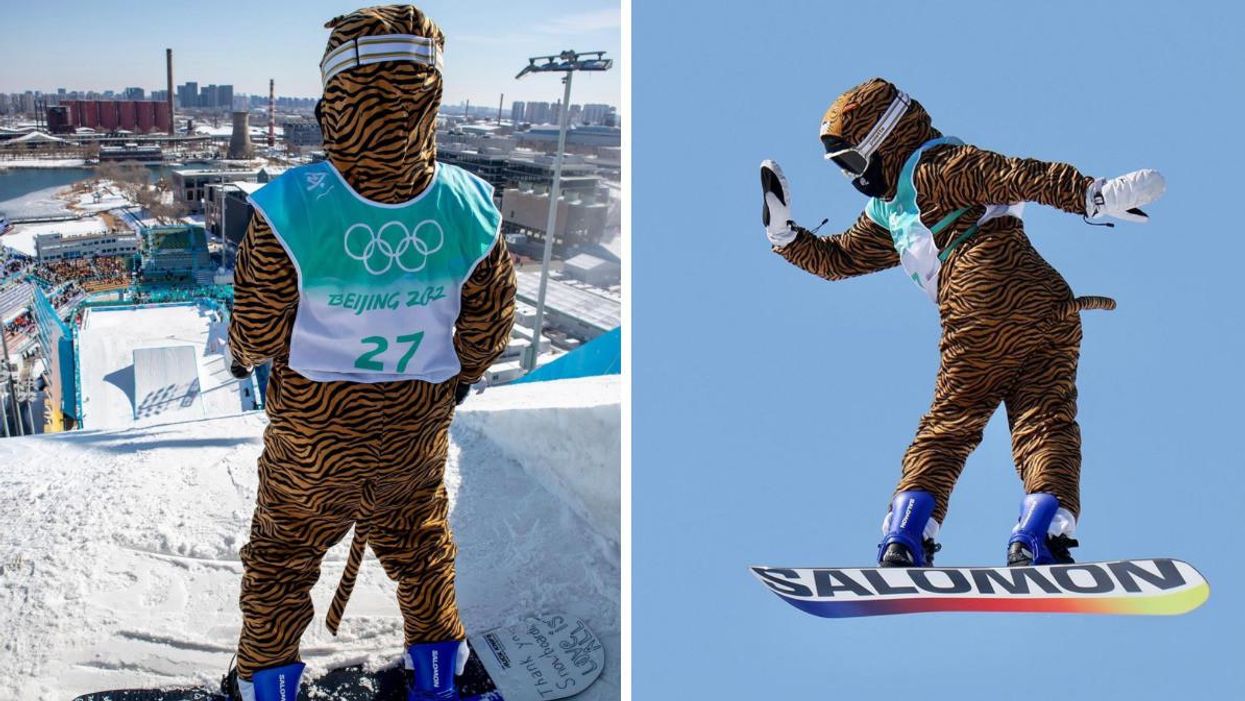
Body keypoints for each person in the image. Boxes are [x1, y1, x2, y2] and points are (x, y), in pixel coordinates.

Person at [225, 6, 516, 700]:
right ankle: (438, 677)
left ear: (336, 101)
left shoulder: (292, 205)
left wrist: (241, 358)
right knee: (421, 550)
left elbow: (258, 325)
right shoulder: (470, 203)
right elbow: (489, 323)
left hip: (311, 434)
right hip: (413, 426)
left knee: (282, 555)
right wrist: (463, 375)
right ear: (430, 97)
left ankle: (266, 686)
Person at [760, 77, 1164, 568]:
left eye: (854, 160)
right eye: (842, 166)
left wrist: (1092, 194)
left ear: (885, 141)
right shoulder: (890, 210)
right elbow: (841, 258)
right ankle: (1041, 531)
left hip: (982, 298)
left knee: (951, 422)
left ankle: (906, 535)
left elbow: (1018, 174)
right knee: (1045, 419)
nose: (853, 176)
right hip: (1049, 306)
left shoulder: (938, 167)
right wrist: (785, 235)